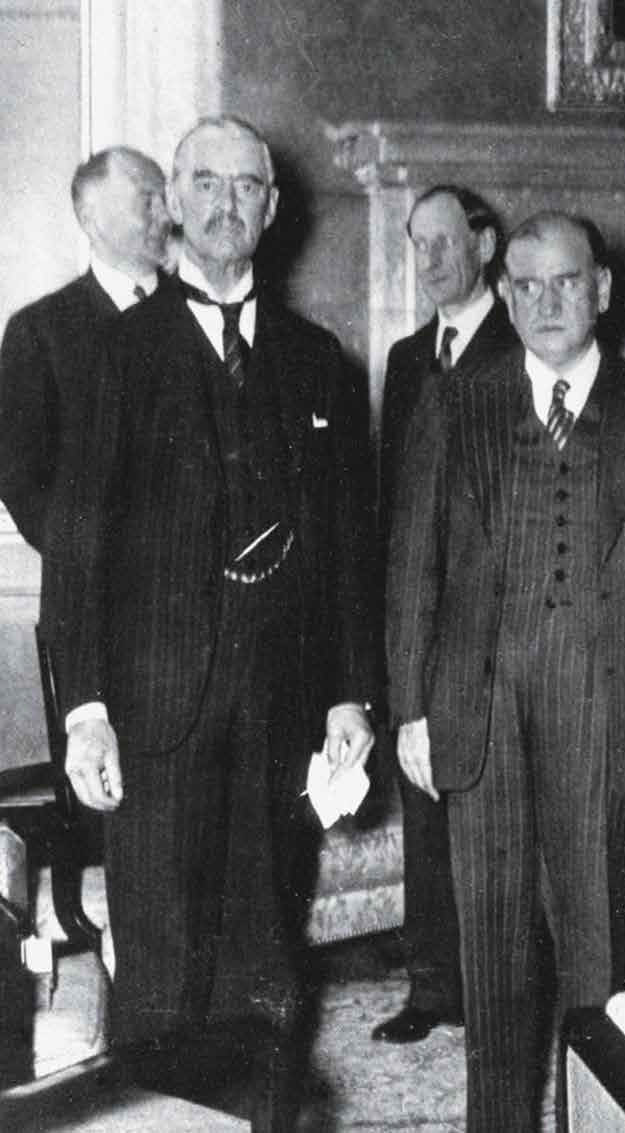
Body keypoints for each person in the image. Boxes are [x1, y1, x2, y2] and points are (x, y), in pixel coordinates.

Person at [55, 115, 377, 1130]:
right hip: (154, 715)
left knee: (265, 962)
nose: (225, 202)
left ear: (272, 209)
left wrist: (351, 695)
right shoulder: (113, 351)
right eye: (205, 182)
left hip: (281, 713)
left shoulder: (317, 359)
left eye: (246, 185)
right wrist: (86, 711)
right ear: (173, 203)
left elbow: (347, 544)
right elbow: (77, 546)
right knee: (159, 968)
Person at [387, 210, 625, 1130]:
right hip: (480, 714)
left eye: (565, 283)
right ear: (505, 294)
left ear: (601, 289)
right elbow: (413, 565)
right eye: (525, 287)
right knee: (491, 957)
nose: (545, 303)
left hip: (612, 716)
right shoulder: (455, 402)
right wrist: (410, 709)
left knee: (597, 957)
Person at [368, 185, 515, 1046]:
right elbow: (394, 505)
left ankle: (501, 986)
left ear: (485, 246)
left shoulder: (525, 342)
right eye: (416, 244)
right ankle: (432, 987)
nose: (428, 260)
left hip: (498, 624)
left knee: (498, 817)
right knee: (424, 804)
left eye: (444, 241)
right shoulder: (405, 359)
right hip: (422, 620)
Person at [0, 146, 170, 651]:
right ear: (91, 219)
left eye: (165, 198)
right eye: (147, 200)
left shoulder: (200, 317)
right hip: (92, 616)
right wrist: (90, 554)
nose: (165, 215)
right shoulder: (40, 331)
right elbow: (17, 473)